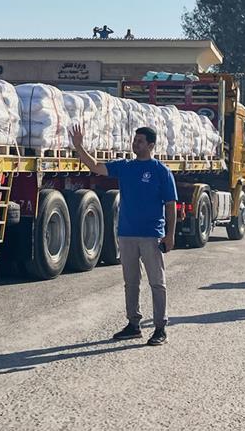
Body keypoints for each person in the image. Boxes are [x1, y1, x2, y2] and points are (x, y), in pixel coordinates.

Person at [71, 123, 177, 346]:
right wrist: (79, 147)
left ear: (150, 145)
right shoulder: (125, 166)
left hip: (151, 235)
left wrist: (170, 235)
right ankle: (133, 324)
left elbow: (170, 205)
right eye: (134, 140)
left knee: (157, 283)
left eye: (140, 141)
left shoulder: (161, 171)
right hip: (127, 233)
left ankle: (160, 328)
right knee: (131, 282)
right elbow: (96, 167)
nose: (135, 144)